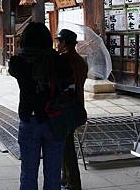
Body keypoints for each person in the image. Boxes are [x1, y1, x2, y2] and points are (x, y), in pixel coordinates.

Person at [8, 22, 73, 190]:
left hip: (29, 119)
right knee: (53, 174)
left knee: (28, 173)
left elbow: (13, 68)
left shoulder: (18, 62)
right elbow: (68, 79)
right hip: (54, 119)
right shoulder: (56, 61)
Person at [57, 29, 88, 190]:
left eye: (59, 42)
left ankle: (73, 182)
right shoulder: (81, 62)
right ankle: (65, 177)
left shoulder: (63, 60)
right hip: (78, 107)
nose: (57, 45)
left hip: (65, 108)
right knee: (66, 144)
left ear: (64, 43)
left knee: (67, 147)